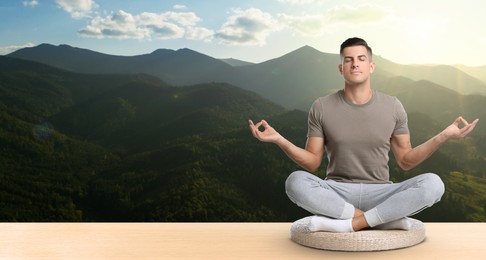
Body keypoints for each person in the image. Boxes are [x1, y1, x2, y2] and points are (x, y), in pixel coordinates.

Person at [248, 37, 479, 232]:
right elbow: (312, 162)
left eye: (361, 59)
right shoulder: (321, 106)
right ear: (341, 68)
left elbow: (406, 161)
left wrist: (443, 136)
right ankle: (381, 221)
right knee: (295, 182)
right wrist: (279, 139)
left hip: (382, 191)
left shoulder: (393, 106)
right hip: (336, 192)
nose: (355, 64)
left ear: (371, 66)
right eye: (348, 60)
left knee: (434, 184)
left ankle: (347, 225)